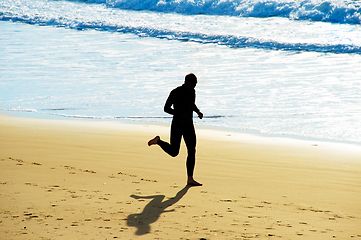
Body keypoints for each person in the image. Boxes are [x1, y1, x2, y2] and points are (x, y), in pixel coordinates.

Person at [148, 73, 203, 186]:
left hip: (189, 125)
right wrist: (178, 113)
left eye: (195, 85)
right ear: (186, 82)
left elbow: (192, 104)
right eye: (193, 85)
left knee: (192, 150)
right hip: (177, 124)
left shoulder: (192, 91)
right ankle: (158, 141)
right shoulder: (175, 92)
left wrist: (198, 111)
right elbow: (166, 108)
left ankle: (190, 178)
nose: (194, 87)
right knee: (174, 152)